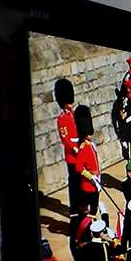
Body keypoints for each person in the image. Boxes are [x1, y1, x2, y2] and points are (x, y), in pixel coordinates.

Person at [54, 79, 81, 212]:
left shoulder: (75, 114)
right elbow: (65, 139)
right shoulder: (62, 118)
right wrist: (76, 149)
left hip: (81, 152)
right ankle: (75, 209)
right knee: (75, 183)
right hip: (72, 155)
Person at [73, 105, 102, 217]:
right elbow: (79, 168)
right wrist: (91, 177)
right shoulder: (84, 148)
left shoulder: (90, 145)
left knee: (94, 209)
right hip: (88, 184)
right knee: (87, 211)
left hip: (95, 182)